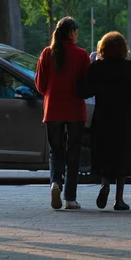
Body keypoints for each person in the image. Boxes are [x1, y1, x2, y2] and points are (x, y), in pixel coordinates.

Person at [81, 31, 131, 211]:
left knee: (105, 153)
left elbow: (85, 91)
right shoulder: (130, 68)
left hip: (103, 118)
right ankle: (119, 199)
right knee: (122, 157)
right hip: (125, 120)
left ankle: (104, 184)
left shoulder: (98, 68)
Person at [35, 16, 90, 210]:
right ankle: (70, 198)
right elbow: (87, 84)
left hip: (53, 110)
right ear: (72, 33)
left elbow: (40, 86)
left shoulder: (47, 53)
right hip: (75, 110)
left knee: (55, 151)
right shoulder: (82, 55)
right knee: (73, 153)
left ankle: (55, 183)